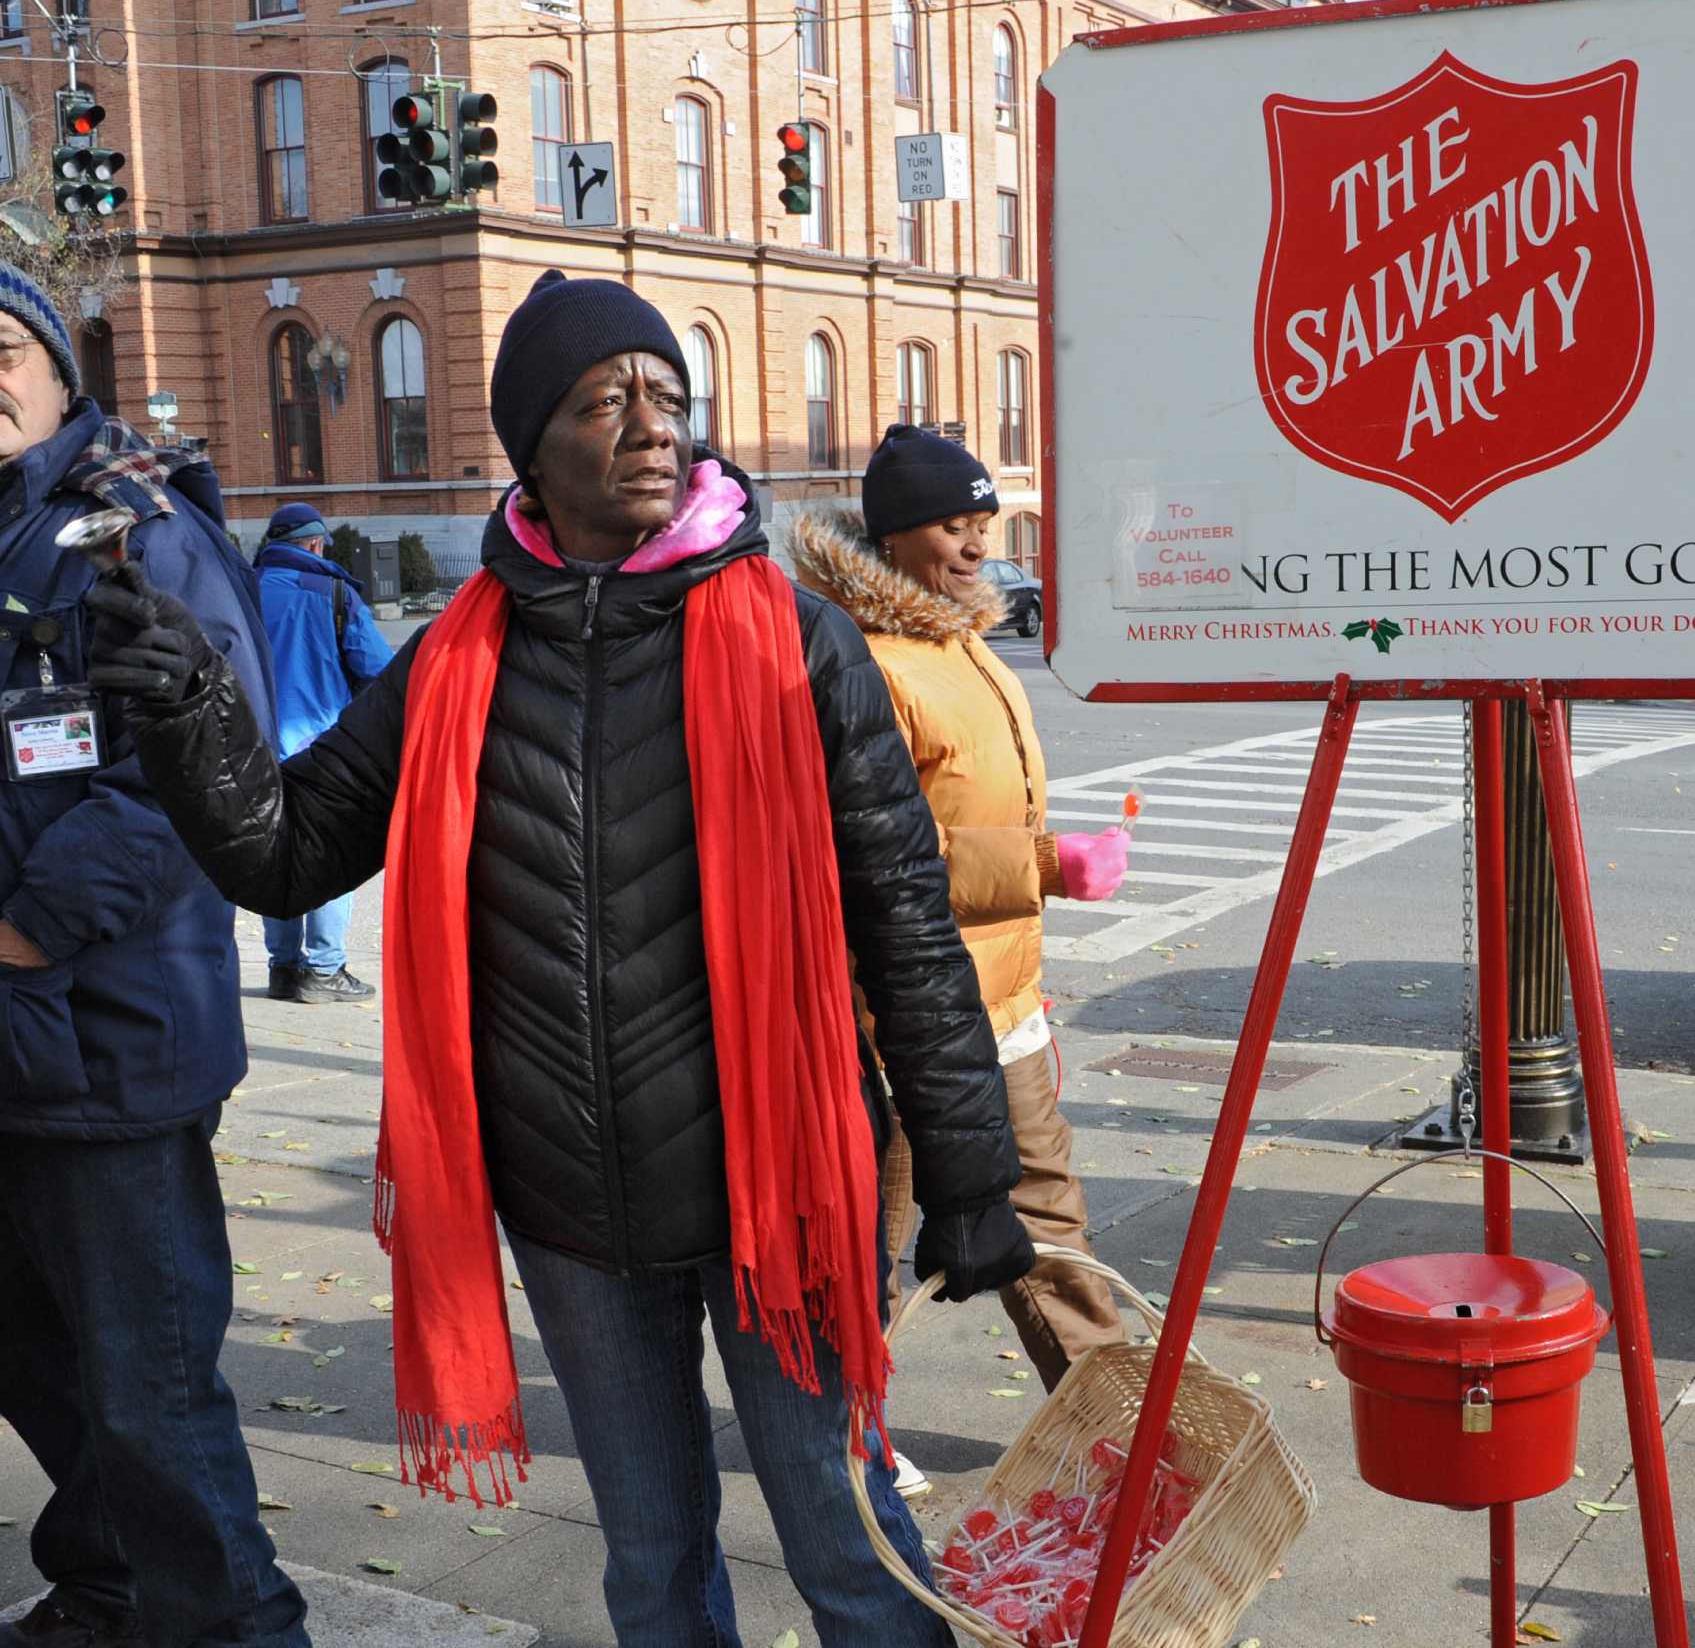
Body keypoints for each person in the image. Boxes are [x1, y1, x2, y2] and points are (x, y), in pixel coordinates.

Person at [84, 270, 1035, 1648]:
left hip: (774, 1187)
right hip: (572, 1204)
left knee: (846, 1546)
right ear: (535, 444)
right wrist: (192, 714)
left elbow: (906, 917)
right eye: (608, 399)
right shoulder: (454, 658)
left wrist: (970, 1172)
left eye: (668, 396)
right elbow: (286, 856)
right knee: (650, 1562)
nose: (654, 423)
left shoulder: (798, 642)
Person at [0, 264, 309, 1648]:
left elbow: (200, 769)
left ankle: (237, 1627)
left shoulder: (137, 529)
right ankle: (113, 1587)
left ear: (64, 374)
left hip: (107, 1035)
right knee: (36, 1362)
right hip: (11, 1051)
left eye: (5, 346)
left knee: (153, 1387)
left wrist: (29, 925)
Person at [791, 424, 1131, 1434]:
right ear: (894, 537)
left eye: (982, 520)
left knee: (1048, 1226)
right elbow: (868, 856)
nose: (977, 543)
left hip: (1003, 1002)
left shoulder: (963, 640)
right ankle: (841, 1440)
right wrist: (1037, 865)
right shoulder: (866, 663)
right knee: (874, 1252)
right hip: (898, 1019)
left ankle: (1117, 1432)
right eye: (953, 523)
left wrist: (1041, 860)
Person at [251, 501, 390, 1003]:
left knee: (272, 857)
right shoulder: (334, 593)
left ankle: (283, 967)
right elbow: (379, 671)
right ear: (314, 545)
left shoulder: (242, 590)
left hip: (254, 749)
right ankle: (325, 968)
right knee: (329, 852)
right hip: (323, 745)